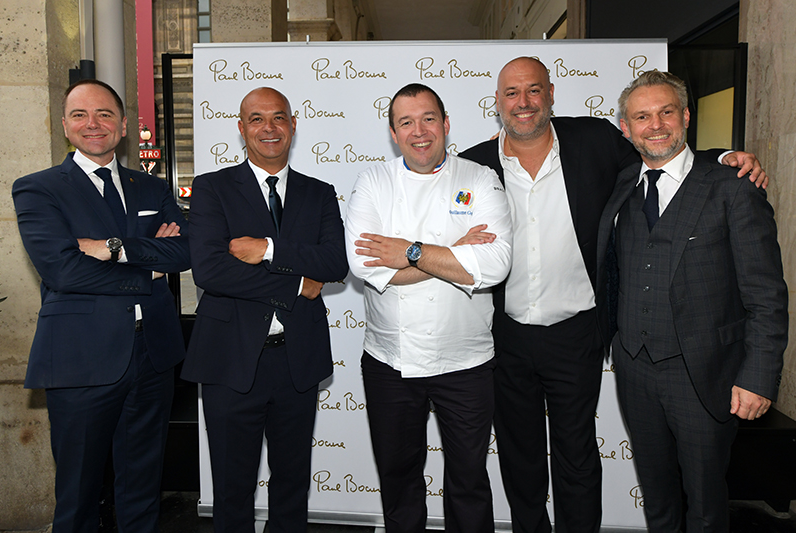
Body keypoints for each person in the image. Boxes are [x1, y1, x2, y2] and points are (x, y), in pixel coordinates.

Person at [459, 57, 767, 533]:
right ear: (497, 102)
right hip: (507, 337)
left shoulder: (594, 140)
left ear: (551, 93)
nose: (524, 103)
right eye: (512, 93)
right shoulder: (474, 165)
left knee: (577, 455)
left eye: (534, 90)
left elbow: (662, 158)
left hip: (578, 332)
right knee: (519, 457)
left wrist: (724, 157)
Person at [598, 70, 788, 532]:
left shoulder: (733, 186)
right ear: (626, 128)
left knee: (705, 504)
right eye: (641, 116)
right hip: (635, 368)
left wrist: (759, 378)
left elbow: (766, 294)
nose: (655, 124)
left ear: (685, 116)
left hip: (705, 374)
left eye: (666, 112)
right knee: (658, 497)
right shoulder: (622, 182)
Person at [12, 79, 190, 532]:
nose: (94, 124)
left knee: (144, 486)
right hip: (79, 359)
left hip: (153, 355)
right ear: (66, 127)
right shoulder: (38, 189)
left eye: (105, 114)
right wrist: (148, 264)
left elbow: (185, 253)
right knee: (78, 494)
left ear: (124, 125)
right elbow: (63, 272)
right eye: (80, 115)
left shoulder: (151, 187)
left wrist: (112, 247)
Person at [345, 83, 512, 533]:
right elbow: (365, 266)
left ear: (446, 124)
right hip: (390, 361)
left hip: (467, 361)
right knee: (399, 479)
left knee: (469, 480)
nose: (419, 131)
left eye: (428, 119)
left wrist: (412, 251)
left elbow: (494, 265)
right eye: (406, 122)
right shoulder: (374, 182)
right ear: (394, 134)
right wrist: (455, 251)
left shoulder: (479, 178)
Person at [181, 87, 347, 533]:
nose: (268, 128)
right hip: (229, 358)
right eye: (257, 119)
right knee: (232, 489)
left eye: (278, 118)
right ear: (241, 128)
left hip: (297, 359)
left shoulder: (319, 193)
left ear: (293, 125)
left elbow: (335, 264)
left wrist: (268, 249)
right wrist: (296, 282)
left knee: (292, 485)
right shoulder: (212, 188)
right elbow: (212, 272)